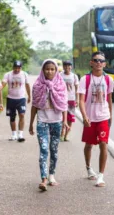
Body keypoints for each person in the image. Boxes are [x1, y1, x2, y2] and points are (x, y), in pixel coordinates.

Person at [29, 59, 69, 191]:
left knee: (54, 151)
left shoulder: (61, 84)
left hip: (56, 123)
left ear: (56, 70)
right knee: (44, 150)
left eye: (52, 69)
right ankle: (43, 179)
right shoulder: (37, 85)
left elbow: (63, 105)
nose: (50, 71)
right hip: (42, 122)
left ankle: (52, 175)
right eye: (47, 69)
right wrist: (30, 123)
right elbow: (34, 105)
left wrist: (65, 122)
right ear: (42, 70)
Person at [78, 51, 114, 187]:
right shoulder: (85, 79)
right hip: (90, 118)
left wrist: (111, 115)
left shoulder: (109, 79)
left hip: (103, 116)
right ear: (91, 63)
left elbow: (109, 98)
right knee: (89, 145)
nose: (98, 62)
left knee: (103, 144)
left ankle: (101, 176)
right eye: (96, 60)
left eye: (101, 61)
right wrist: (84, 116)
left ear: (104, 64)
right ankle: (88, 168)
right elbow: (80, 100)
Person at [2, 60, 31, 142]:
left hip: (21, 98)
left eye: (19, 68)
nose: (17, 69)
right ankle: (14, 134)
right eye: (15, 67)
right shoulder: (8, 74)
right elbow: (3, 83)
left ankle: (20, 134)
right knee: (12, 117)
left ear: (21, 68)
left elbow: (27, 85)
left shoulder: (24, 74)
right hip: (11, 98)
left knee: (22, 114)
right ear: (13, 67)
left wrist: (29, 96)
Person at [60, 60, 79, 141]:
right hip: (62, 99)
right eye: (65, 65)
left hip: (71, 99)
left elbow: (77, 89)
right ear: (63, 67)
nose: (67, 67)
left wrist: (77, 99)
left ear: (71, 67)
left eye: (69, 66)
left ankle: (66, 135)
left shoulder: (74, 76)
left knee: (70, 119)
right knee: (61, 118)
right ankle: (62, 133)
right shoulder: (60, 75)